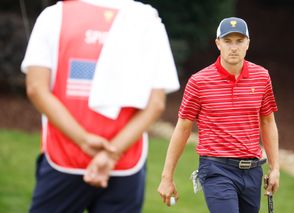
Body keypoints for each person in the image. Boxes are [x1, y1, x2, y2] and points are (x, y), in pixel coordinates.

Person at [21, 0, 180, 212]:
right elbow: (156, 104)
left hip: (64, 155)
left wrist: (84, 140)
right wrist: (112, 153)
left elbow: (36, 88)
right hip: (125, 162)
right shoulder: (147, 19)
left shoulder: (54, 15)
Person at [157, 17, 279, 213]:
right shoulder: (199, 82)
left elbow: (268, 121)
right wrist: (166, 177)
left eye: (239, 41)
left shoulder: (262, 77)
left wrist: (275, 168)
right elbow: (183, 128)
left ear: (247, 43)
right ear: (218, 43)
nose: (233, 47)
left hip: (252, 171)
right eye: (227, 41)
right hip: (216, 169)